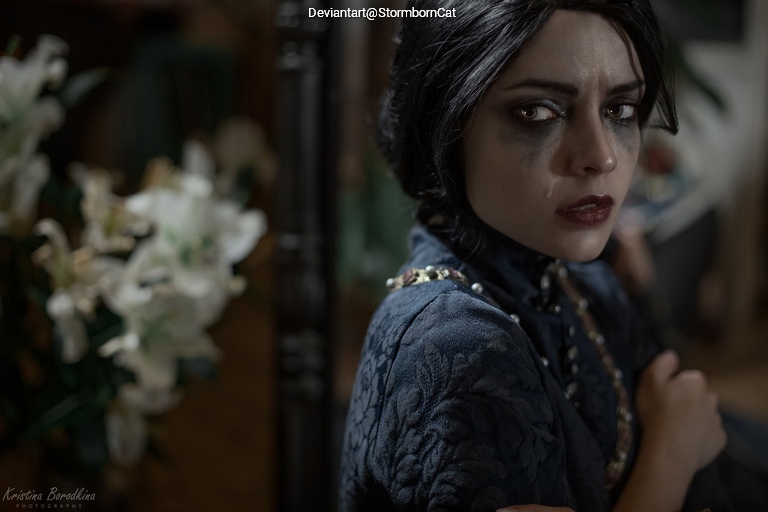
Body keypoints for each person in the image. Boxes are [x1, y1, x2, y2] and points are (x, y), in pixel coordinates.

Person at [338, 0, 757, 510]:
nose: (601, 155)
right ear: (445, 124)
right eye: (538, 113)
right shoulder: (455, 348)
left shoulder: (577, 277)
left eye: (619, 110)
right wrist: (670, 455)